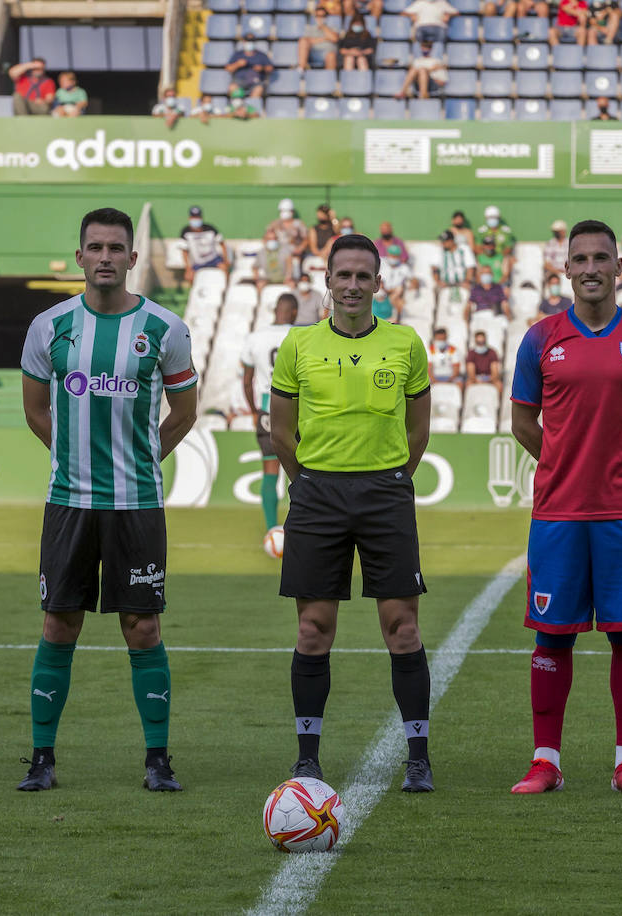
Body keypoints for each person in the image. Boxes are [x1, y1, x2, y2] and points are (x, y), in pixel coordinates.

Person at [17, 207, 198, 793]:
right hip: (68, 501)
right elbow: (36, 411)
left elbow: (185, 413)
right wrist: (71, 456)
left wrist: (144, 460)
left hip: (137, 504)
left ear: (132, 259)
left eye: (115, 249)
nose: (104, 258)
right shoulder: (49, 326)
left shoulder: (166, 329)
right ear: (79, 257)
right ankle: (42, 759)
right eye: (94, 247)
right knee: (58, 622)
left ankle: (158, 760)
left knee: (142, 626)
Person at [509, 219, 622, 796]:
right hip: (557, 513)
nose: (589, 269)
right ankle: (545, 762)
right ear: (565, 268)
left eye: (600, 259)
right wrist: (561, 462)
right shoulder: (539, 339)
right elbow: (522, 422)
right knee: (552, 638)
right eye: (579, 259)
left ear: (618, 267)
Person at [269, 233, 434, 792]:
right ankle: (308, 758)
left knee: (402, 628)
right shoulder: (299, 345)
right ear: (328, 281)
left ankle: (418, 757)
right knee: (314, 629)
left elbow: (419, 429)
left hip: (385, 494)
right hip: (317, 497)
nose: (354, 285)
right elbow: (281, 430)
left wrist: (391, 479)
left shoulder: (406, 343)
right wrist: (309, 482)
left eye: (365, 276)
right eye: (345, 275)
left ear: (379, 283)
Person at [241, 295, 298, 540]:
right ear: (294, 312)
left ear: (275, 310)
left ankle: (271, 529)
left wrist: (255, 411)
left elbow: (246, 381)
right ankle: (300, 527)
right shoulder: (302, 336)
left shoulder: (255, 337)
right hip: (297, 408)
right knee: (301, 471)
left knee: (270, 469)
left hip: (267, 408)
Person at [179, 206, 227, 283]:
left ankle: (224, 291)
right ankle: (194, 293)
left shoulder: (210, 229)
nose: (196, 219)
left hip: (213, 259)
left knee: (224, 268)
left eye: (198, 217)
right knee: (189, 276)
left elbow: (222, 244)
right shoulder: (185, 232)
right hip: (198, 262)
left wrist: (225, 260)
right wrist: (188, 268)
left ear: (201, 218)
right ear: (190, 218)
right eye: (194, 217)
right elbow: (184, 252)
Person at [226, 34, 274, 100]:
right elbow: (228, 68)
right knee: (232, 87)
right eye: (247, 41)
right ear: (244, 42)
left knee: (258, 89)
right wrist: (237, 64)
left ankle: (252, 108)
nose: (249, 43)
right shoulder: (238, 54)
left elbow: (270, 68)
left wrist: (262, 68)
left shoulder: (261, 55)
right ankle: (238, 107)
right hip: (240, 82)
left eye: (251, 41)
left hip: (256, 82)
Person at [433, 230, 476, 297]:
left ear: (451, 241)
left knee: (471, 292)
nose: (442, 243)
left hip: (461, 282)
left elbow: (470, 267)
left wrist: (467, 281)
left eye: (444, 241)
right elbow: (435, 268)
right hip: (446, 282)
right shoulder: (440, 251)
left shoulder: (464, 249)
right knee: (436, 291)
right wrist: (438, 281)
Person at [381, 244, 417, 317]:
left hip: (396, 294)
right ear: (388, 254)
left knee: (399, 291)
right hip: (382, 291)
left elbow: (414, 281)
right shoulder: (381, 264)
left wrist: (411, 286)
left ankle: (399, 316)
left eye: (396, 256)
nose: (393, 258)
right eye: (392, 255)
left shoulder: (404, 268)